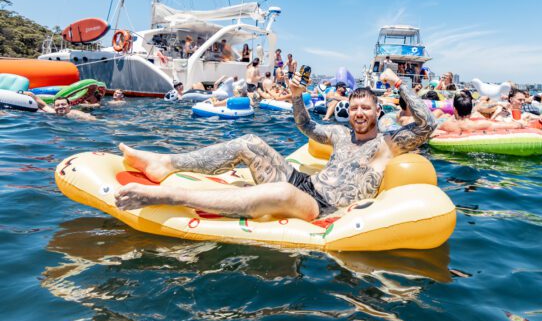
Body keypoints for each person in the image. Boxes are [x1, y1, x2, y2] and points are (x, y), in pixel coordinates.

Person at [115, 69, 437, 220]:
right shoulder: (340, 134)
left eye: (366, 108)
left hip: (322, 207)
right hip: (304, 183)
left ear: (378, 111)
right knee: (250, 141)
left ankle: (170, 196)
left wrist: (399, 83)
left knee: (282, 194)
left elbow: (428, 125)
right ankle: (166, 164)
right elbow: (306, 126)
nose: (359, 113)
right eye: (354, 108)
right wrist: (297, 97)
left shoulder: (388, 144)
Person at [433, 90, 525, 135]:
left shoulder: (445, 125)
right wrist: (520, 124)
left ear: (455, 110)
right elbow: (515, 126)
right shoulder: (480, 124)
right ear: (470, 110)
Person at [30, 94, 95, 121]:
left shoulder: (74, 113)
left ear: (69, 106)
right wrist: (30, 94)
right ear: (54, 107)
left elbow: (91, 118)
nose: (60, 107)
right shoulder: (54, 112)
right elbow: (43, 105)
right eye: (57, 105)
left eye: (63, 104)